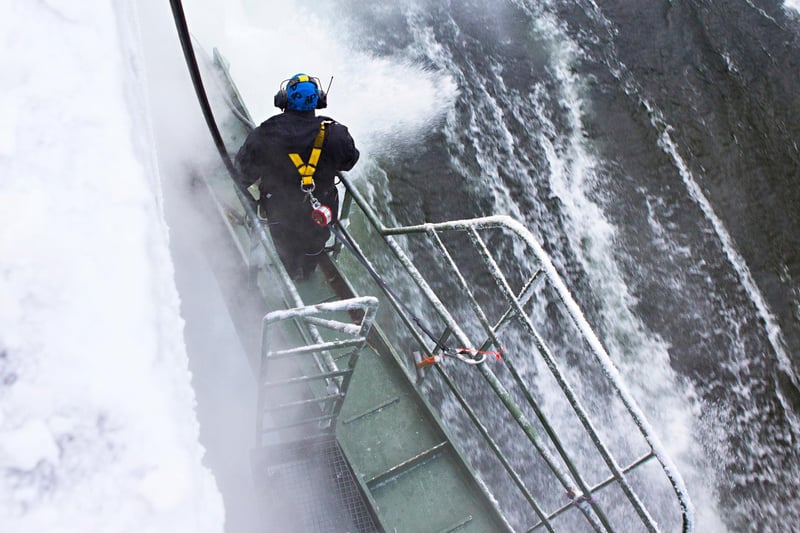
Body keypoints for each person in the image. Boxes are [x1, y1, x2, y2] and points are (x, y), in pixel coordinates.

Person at [235, 73, 359, 280]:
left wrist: (255, 194)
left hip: (279, 207)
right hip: (320, 208)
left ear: (283, 100)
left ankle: (290, 271)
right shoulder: (336, 133)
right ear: (319, 101)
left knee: (284, 243)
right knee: (314, 245)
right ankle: (307, 271)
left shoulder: (264, 134)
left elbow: (243, 171)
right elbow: (349, 161)